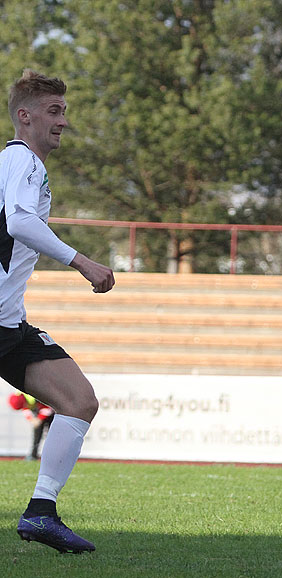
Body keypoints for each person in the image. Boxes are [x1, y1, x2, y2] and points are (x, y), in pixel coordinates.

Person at [1, 69, 116, 553]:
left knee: (79, 400)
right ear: (24, 117)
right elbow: (19, 220)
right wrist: (83, 261)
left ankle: (41, 513)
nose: (63, 120)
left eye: (64, 111)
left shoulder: (22, 165)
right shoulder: (21, 158)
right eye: (53, 110)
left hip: (8, 325)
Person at [8, 390, 55, 460]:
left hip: (52, 415)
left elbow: (48, 407)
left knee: (53, 436)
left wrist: (39, 419)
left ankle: (54, 456)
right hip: (39, 414)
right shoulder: (21, 397)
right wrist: (32, 419)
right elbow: (25, 409)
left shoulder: (35, 395)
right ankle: (33, 455)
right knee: (37, 435)